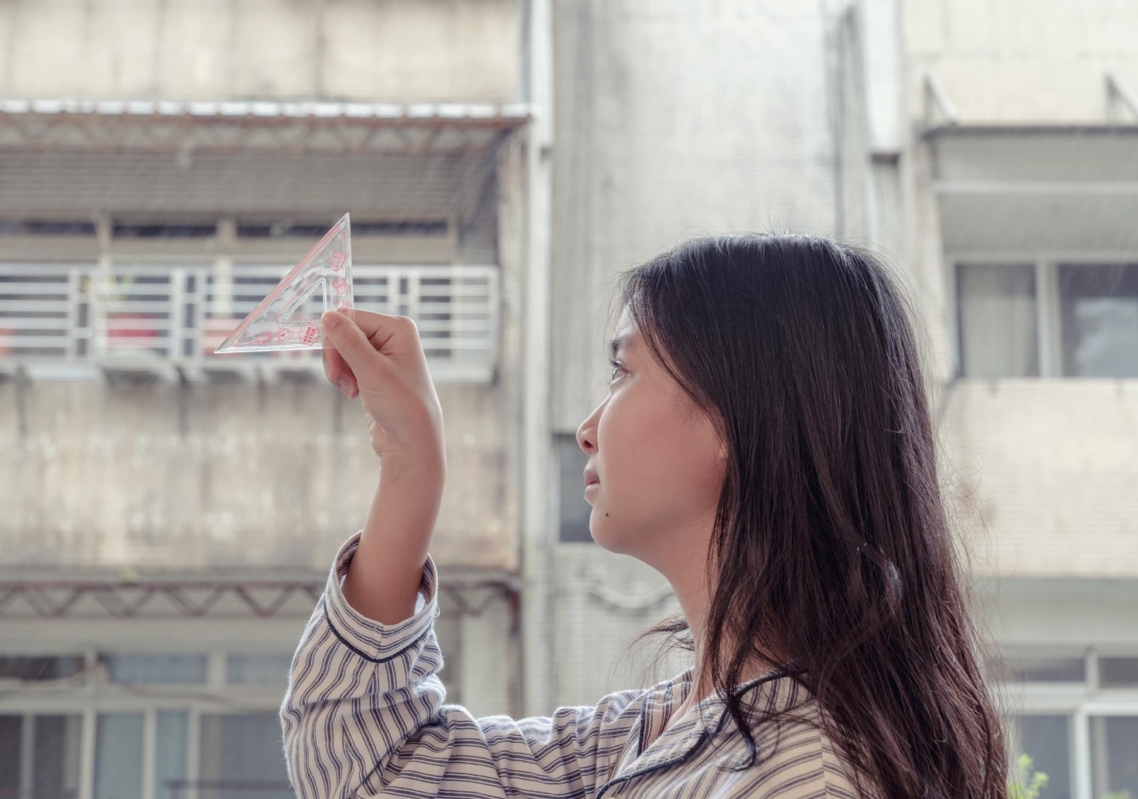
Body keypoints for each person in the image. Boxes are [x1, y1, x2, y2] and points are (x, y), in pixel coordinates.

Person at [280, 234, 1010, 799]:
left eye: (624, 373)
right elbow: (373, 764)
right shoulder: (654, 737)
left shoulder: (804, 777)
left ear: (736, 418)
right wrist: (412, 470)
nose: (588, 427)